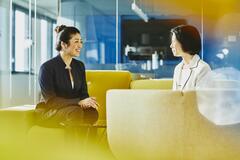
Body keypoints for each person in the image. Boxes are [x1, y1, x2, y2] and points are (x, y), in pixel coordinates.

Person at [35, 25, 99, 127]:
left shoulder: (79, 66)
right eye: (76, 41)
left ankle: (83, 141)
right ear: (64, 45)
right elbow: (51, 101)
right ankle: (72, 142)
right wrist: (79, 102)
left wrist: (88, 102)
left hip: (72, 108)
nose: (80, 45)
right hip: (50, 111)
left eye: (81, 41)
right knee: (75, 112)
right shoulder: (47, 67)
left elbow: (83, 94)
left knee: (92, 113)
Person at [170, 25, 211, 90]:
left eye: (174, 41)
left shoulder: (203, 68)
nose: (171, 46)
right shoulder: (178, 68)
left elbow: (202, 98)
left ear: (185, 42)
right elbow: (175, 96)